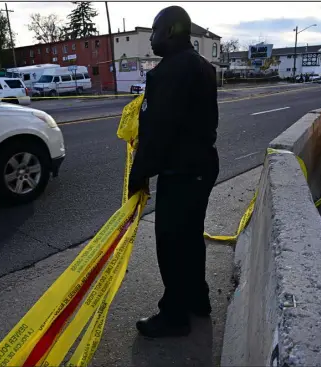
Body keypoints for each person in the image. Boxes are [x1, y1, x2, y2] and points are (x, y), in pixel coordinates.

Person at [127, 5, 220, 338]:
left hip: (181, 171)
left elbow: (158, 131)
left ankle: (175, 316)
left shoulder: (169, 72)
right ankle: (198, 300)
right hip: (201, 165)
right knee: (191, 237)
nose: (151, 38)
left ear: (169, 31)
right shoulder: (203, 67)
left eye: (153, 31)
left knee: (171, 242)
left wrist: (138, 175)